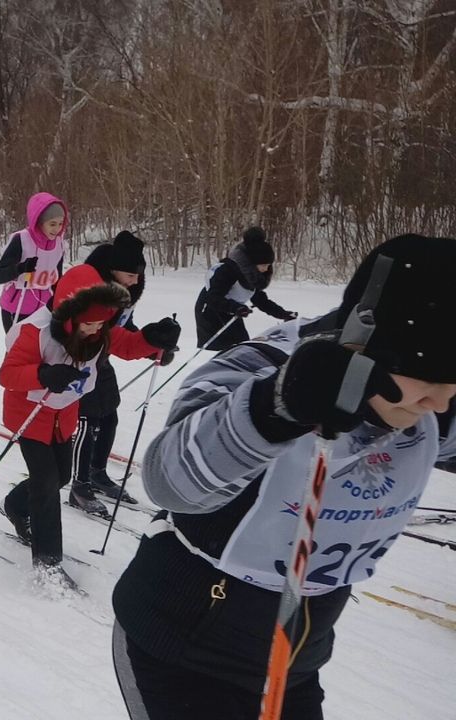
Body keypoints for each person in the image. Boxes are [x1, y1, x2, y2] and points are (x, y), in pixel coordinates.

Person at [111, 234, 456, 720]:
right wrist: (274, 408)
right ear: (373, 348)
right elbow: (169, 480)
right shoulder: (262, 366)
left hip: (292, 660)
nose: (441, 403)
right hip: (182, 650)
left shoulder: (435, 401)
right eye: (433, 381)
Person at [0, 264, 171, 589]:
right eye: (87, 323)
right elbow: (7, 375)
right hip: (30, 416)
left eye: (100, 324)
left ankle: (15, 505)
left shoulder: (99, 331)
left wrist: (153, 340)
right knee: (47, 483)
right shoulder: (35, 332)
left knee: (61, 475)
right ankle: (47, 564)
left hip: (63, 417)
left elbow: (129, 345)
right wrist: (43, 374)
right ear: (68, 316)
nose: (94, 330)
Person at [66, 232, 180, 517]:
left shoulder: (122, 294)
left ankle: (97, 471)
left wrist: (155, 345)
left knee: (109, 414)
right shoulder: (92, 289)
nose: (136, 280)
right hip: (75, 357)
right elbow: (101, 332)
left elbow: (123, 331)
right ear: (113, 270)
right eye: (130, 274)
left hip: (99, 357)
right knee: (88, 419)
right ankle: (79, 486)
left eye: (139, 275)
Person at [195, 226, 297, 351]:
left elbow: (261, 301)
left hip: (231, 311)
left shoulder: (252, 277)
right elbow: (213, 297)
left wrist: (283, 314)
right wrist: (236, 307)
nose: (266, 269)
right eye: (263, 265)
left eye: (268, 265)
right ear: (252, 264)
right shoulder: (228, 271)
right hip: (210, 311)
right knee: (227, 349)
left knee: (241, 347)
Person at [0, 193, 69, 333]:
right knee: (18, 351)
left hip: (43, 310)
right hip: (16, 307)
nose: (57, 229)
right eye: (52, 224)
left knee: (39, 352)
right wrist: (21, 268)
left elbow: (57, 279)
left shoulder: (59, 244)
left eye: (60, 223)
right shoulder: (21, 240)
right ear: (39, 221)